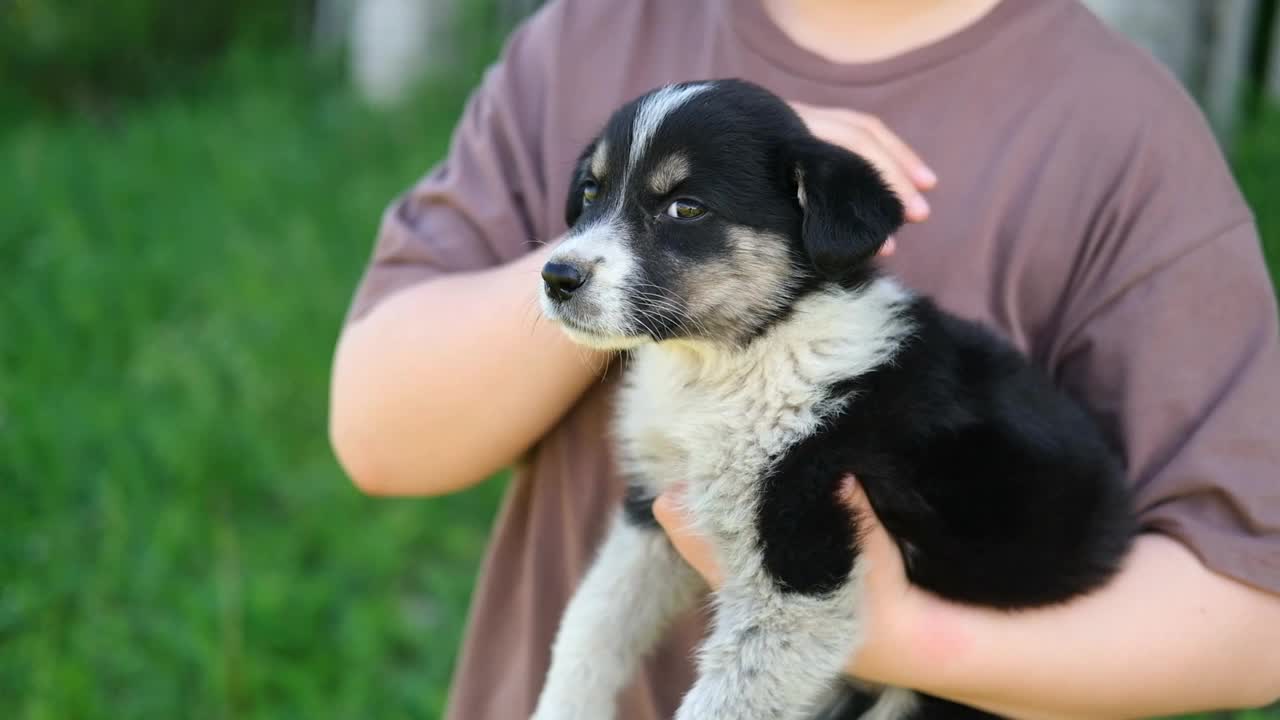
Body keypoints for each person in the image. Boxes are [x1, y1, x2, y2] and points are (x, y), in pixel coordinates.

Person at [328, 1, 1280, 718]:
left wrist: (912, 647)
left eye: (687, 208)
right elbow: (378, 437)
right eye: (592, 199)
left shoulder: (1119, 130)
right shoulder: (584, 36)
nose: (585, 243)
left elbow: (1254, 608)